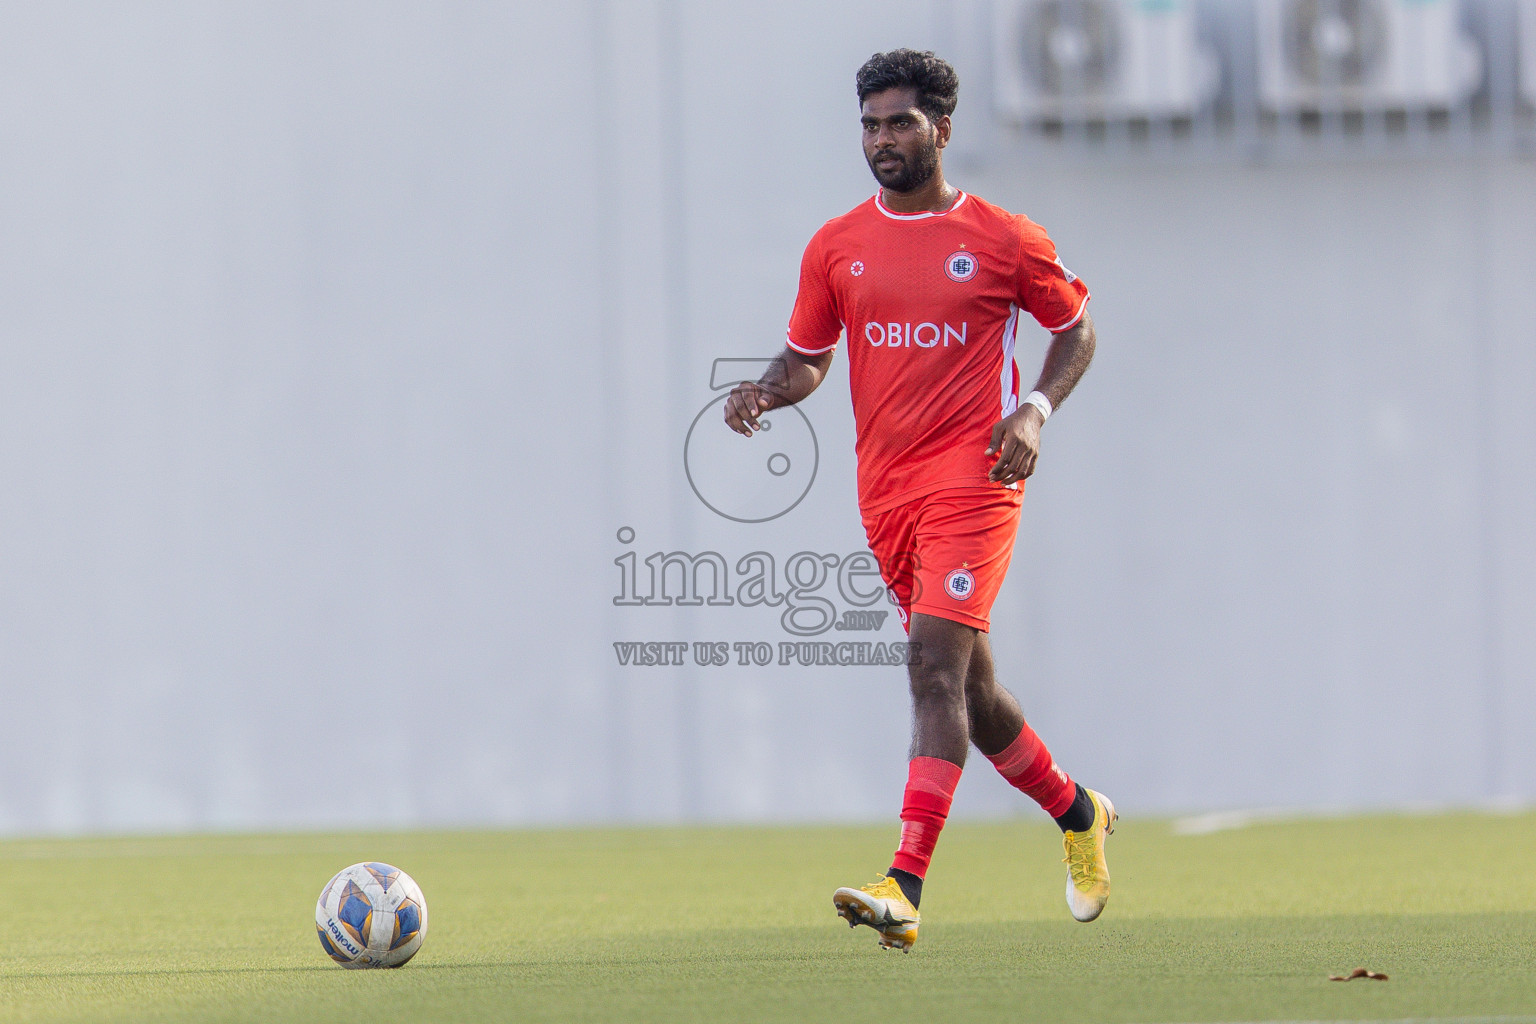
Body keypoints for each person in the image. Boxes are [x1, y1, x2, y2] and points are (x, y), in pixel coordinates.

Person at [723, 48, 1112, 951]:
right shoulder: (837, 246)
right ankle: (1079, 811)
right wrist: (765, 391)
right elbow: (810, 357)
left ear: (942, 127)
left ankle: (904, 884)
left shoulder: (1005, 239)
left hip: (977, 480)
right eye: (869, 124)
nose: (882, 140)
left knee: (931, 668)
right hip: (885, 494)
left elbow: (1076, 327)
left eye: (900, 123)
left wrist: (1037, 409)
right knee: (969, 689)